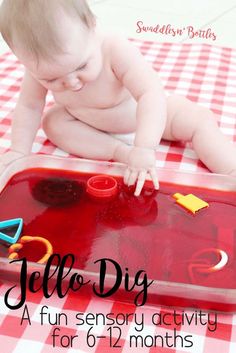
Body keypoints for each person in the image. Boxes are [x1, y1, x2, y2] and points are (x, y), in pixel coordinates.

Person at [0, 0, 235, 196]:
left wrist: (145, 146)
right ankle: (120, 152)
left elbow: (150, 94)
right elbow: (29, 106)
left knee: (199, 121)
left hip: (145, 117)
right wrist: (19, 151)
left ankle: (231, 170)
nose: (71, 83)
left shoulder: (114, 49)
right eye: (51, 80)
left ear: (92, 26)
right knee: (52, 123)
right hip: (89, 124)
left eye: (81, 66)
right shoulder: (37, 70)